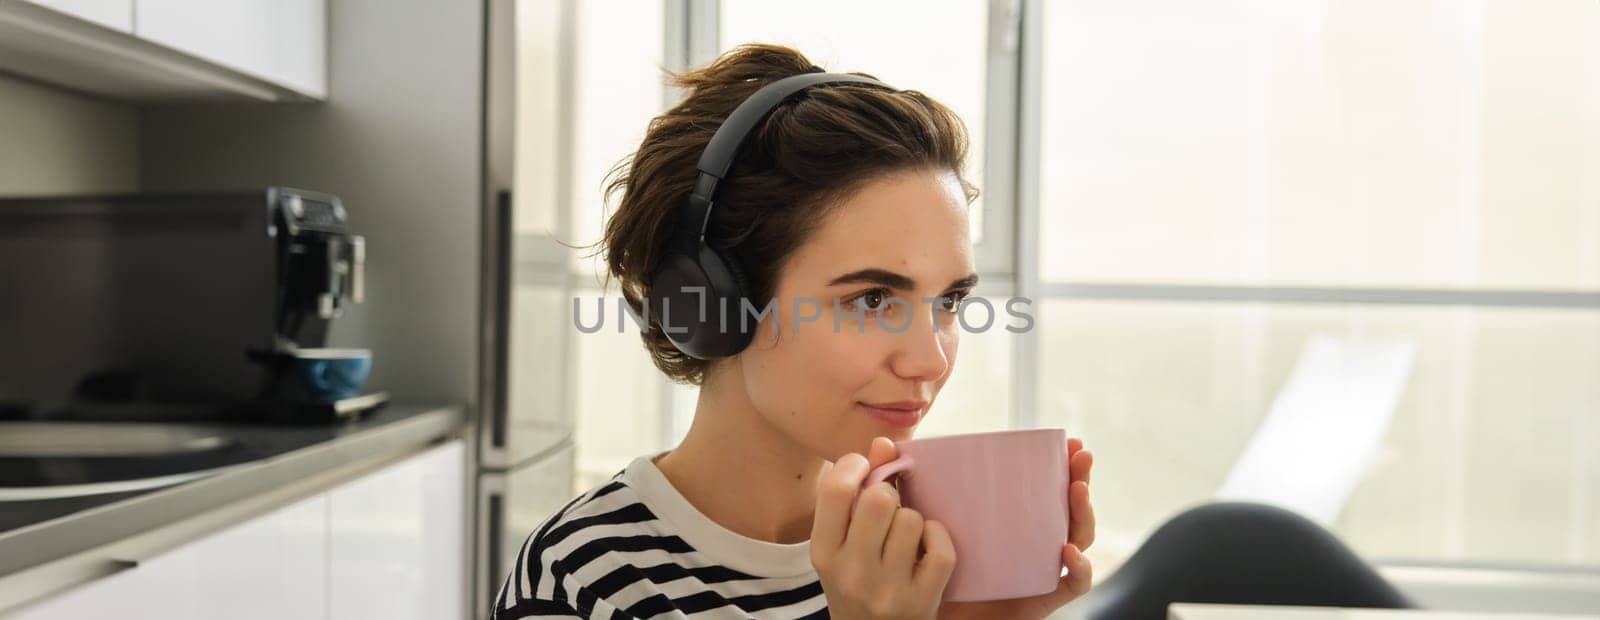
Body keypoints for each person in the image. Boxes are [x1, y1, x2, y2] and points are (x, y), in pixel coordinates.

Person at [493, 43, 1096, 619]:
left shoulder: (925, 554)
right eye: (872, 298)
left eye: (949, 299)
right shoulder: (579, 581)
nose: (931, 360)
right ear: (710, 304)